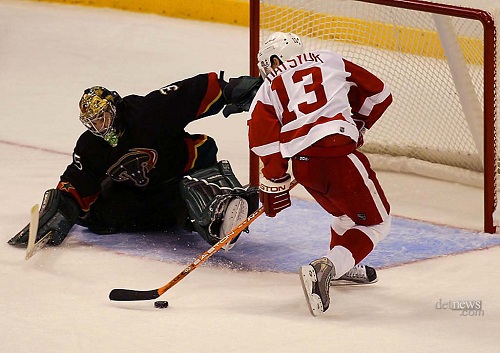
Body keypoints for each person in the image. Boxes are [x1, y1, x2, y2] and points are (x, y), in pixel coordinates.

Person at [9, 71, 262, 250]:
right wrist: (62, 208)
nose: (100, 125)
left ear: (114, 108)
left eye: (103, 117)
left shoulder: (147, 112)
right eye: (93, 122)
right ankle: (185, 213)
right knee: (98, 219)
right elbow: (79, 182)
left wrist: (231, 89)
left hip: (183, 170)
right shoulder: (90, 146)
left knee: (195, 204)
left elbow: (191, 93)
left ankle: (224, 206)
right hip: (147, 193)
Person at [249, 32, 392, 316]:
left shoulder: (267, 88)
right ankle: (326, 268)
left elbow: (261, 137)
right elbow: (380, 94)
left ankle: (340, 266)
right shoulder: (330, 59)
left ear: (276, 59)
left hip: (304, 164)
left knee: (344, 215)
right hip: (339, 154)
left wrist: (276, 176)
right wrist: (359, 124)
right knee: (375, 224)